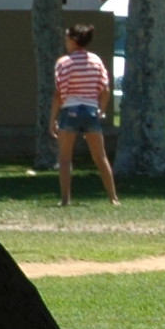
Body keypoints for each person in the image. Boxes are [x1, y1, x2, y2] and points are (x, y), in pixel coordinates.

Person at [53, 22, 120, 208]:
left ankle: (65, 199)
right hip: (91, 111)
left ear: (74, 40)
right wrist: (102, 110)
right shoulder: (96, 61)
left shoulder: (63, 63)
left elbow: (58, 94)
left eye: (67, 38)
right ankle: (113, 198)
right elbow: (105, 89)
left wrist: (52, 120)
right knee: (100, 156)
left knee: (65, 158)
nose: (65, 41)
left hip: (70, 111)